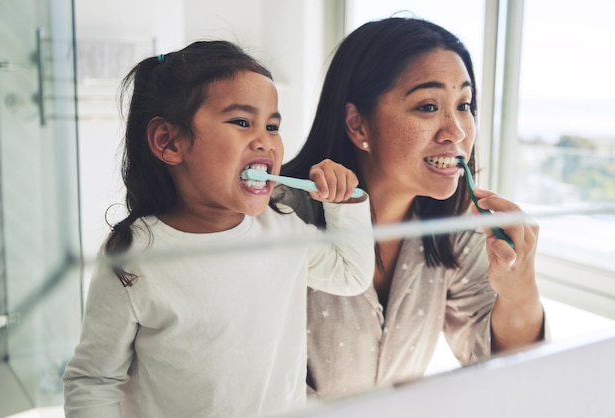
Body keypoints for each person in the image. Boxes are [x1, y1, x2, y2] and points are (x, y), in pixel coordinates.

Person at [62, 40, 375, 418]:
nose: (266, 141)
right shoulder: (134, 257)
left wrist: (346, 206)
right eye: (242, 122)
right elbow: (94, 382)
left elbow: (351, 276)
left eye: (273, 126)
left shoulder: (281, 232)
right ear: (169, 141)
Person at [280, 16, 546, 398]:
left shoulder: (454, 233)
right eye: (427, 106)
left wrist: (519, 289)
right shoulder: (277, 221)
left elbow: (507, 368)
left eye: (464, 104)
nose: (456, 131)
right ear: (358, 125)